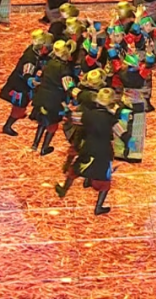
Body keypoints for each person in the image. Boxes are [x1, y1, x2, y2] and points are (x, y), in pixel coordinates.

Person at [54, 87, 123, 216]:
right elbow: (121, 133)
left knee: (75, 169)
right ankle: (98, 207)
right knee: (104, 181)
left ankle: (64, 189)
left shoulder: (87, 115)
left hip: (88, 147)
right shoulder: (111, 118)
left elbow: (73, 118)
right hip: (103, 151)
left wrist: (66, 110)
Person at [31, 40, 78, 156]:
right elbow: (68, 86)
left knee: (42, 121)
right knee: (53, 124)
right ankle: (44, 148)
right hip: (54, 99)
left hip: (42, 95)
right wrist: (76, 94)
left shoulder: (49, 63)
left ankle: (35, 144)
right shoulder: (64, 68)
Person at [0, 29, 49, 136]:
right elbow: (27, 75)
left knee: (25, 102)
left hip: (23, 83)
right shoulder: (30, 58)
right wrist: (35, 82)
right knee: (20, 107)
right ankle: (8, 125)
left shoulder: (35, 52)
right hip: (20, 85)